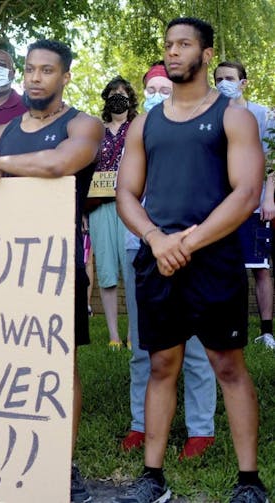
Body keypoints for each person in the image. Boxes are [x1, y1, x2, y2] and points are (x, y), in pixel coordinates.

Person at [115, 18, 268, 503]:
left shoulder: (233, 117)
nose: (174, 52)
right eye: (168, 45)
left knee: (228, 365)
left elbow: (245, 194)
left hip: (214, 259)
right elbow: (125, 192)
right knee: (162, 364)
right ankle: (152, 477)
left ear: (206, 54)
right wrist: (157, 239)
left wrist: (190, 241)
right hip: (158, 258)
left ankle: (249, 481)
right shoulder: (146, 123)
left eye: (184, 45)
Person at [0, 39, 103, 503]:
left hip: (57, 266)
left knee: (61, 367)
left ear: (64, 77)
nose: (34, 78)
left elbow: (60, 163)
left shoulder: (83, 125)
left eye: (46, 71)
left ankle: (62, 466)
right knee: (1, 365)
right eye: (29, 70)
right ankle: (0, 459)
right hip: (1, 270)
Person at [120, 62, 218, 461]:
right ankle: (141, 424)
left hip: (191, 244)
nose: (159, 93)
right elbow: (126, 191)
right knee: (145, 343)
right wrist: (150, 237)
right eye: (152, 88)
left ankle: (201, 429)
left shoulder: (203, 125)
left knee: (196, 344)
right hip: (140, 245)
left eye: (165, 87)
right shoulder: (139, 129)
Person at [214, 61, 275, 349]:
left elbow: (272, 162)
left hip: (255, 204)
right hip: (221, 205)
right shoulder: (211, 115)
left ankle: (266, 332)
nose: (223, 82)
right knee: (225, 267)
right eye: (218, 78)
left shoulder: (263, 115)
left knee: (260, 268)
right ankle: (230, 327)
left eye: (229, 78)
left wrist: (269, 197)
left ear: (243, 82)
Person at [87, 76, 138, 349]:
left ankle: (133, 334)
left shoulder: (140, 129)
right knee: (106, 270)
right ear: (106, 99)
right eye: (113, 93)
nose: (118, 97)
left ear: (130, 99)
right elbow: (85, 167)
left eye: (123, 93)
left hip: (131, 205)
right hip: (99, 206)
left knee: (132, 270)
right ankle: (113, 336)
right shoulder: (96, 130)